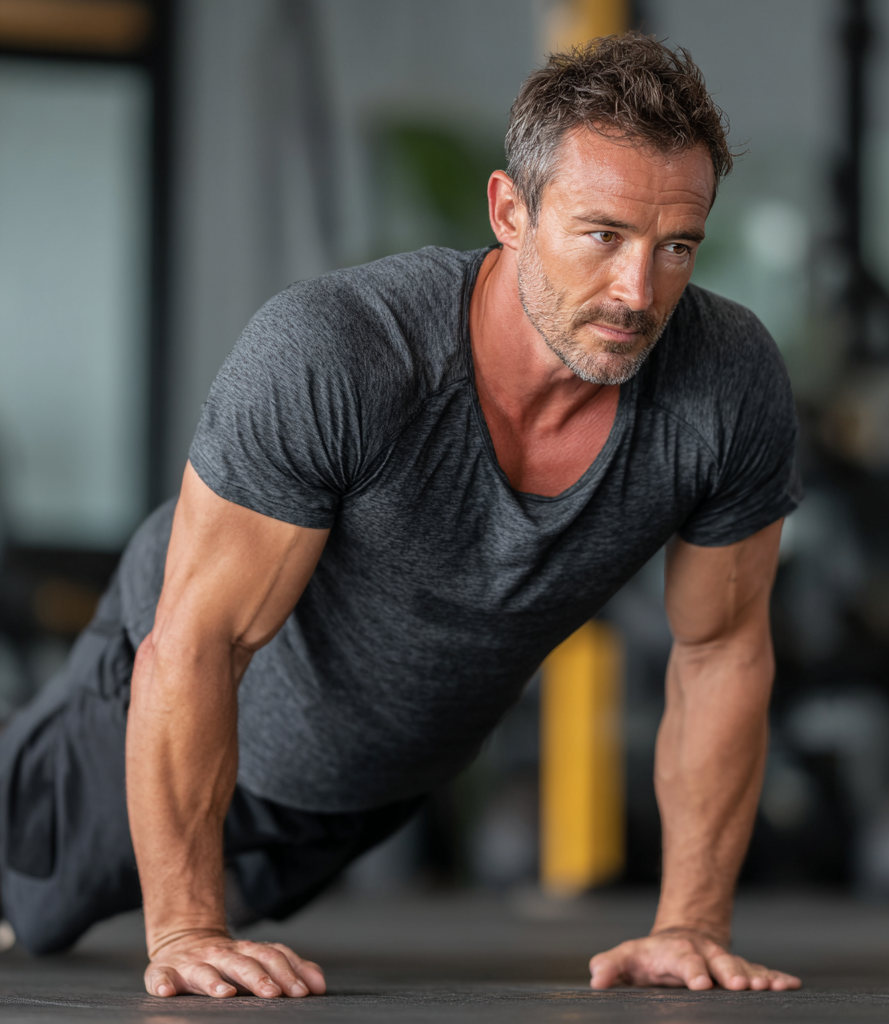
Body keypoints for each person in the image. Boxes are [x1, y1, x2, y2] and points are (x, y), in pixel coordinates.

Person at [0, 33, 802, 998]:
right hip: (155, 714)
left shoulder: (726, 384)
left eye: (677, 247)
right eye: (603, 236)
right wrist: (181, 931)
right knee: (35, 915)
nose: (640, 292)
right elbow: (196, 641)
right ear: (510, 210)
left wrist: (690, 923)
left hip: (356, 794)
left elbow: (722, 652)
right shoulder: (341, 355)